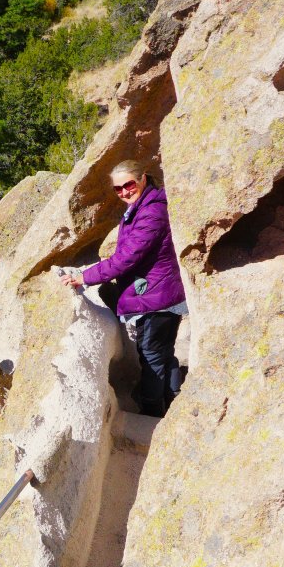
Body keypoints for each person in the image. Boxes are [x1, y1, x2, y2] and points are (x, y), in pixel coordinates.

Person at [62, 159, 187, 417]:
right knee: (160, 351)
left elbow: (126, 257)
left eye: (128, 184)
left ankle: (153, 412)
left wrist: (85, 277)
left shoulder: (152, 212)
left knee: (152, 356)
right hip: (156, 291)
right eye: (118, 189)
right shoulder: (140, 208)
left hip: (158, 296)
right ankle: (174, 399)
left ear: (143, 179)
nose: (124, 192)